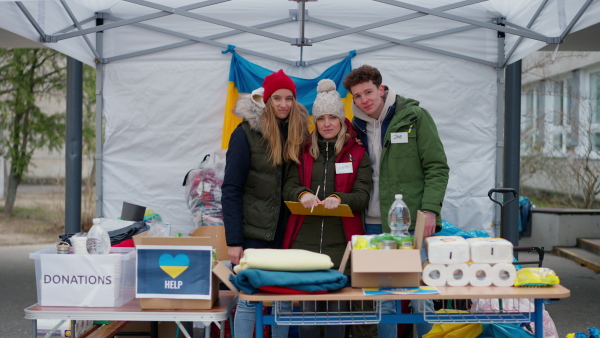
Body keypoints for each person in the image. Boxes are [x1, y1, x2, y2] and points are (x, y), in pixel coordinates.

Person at [343, 65, 450, 338]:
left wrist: (429, 210)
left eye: (368, 92)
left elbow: (437, 167)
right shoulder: (354, 128)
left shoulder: (414, 117)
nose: (364, 100)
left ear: (381, 89)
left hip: (409, 222)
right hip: (371, 223)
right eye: (357, 96)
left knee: (419, 293)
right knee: (382, 297)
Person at [222, 69, 309, 338]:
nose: (283, 104)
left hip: (288, 232)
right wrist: (235, 241)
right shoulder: (245, 134)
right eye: (277, 98)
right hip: (255, 233)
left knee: (283, 300)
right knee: (250, 299)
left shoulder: (298, 132)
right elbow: (231, 189)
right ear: (266, 100)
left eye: (289, 98)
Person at [282, 78, 372, 338]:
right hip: (304, 241)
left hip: (341, 242)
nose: (327, 124)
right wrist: (302, 194)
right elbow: (288, 187)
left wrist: (339, 198)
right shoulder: (302, 151)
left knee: (336, 310)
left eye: (333, 117)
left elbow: (363, 195)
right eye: (321, 118)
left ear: (341, 120)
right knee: (308, 311)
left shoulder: (357, 153)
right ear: (315, 121)